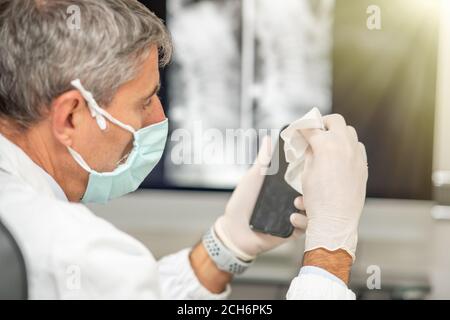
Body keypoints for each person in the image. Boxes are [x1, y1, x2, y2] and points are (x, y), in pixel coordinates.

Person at [0, 0, 368, 299]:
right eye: (145, 102)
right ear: (70, 117)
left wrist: (226, 244)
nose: (160, 116)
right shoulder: (79, 252)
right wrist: (330, 254)